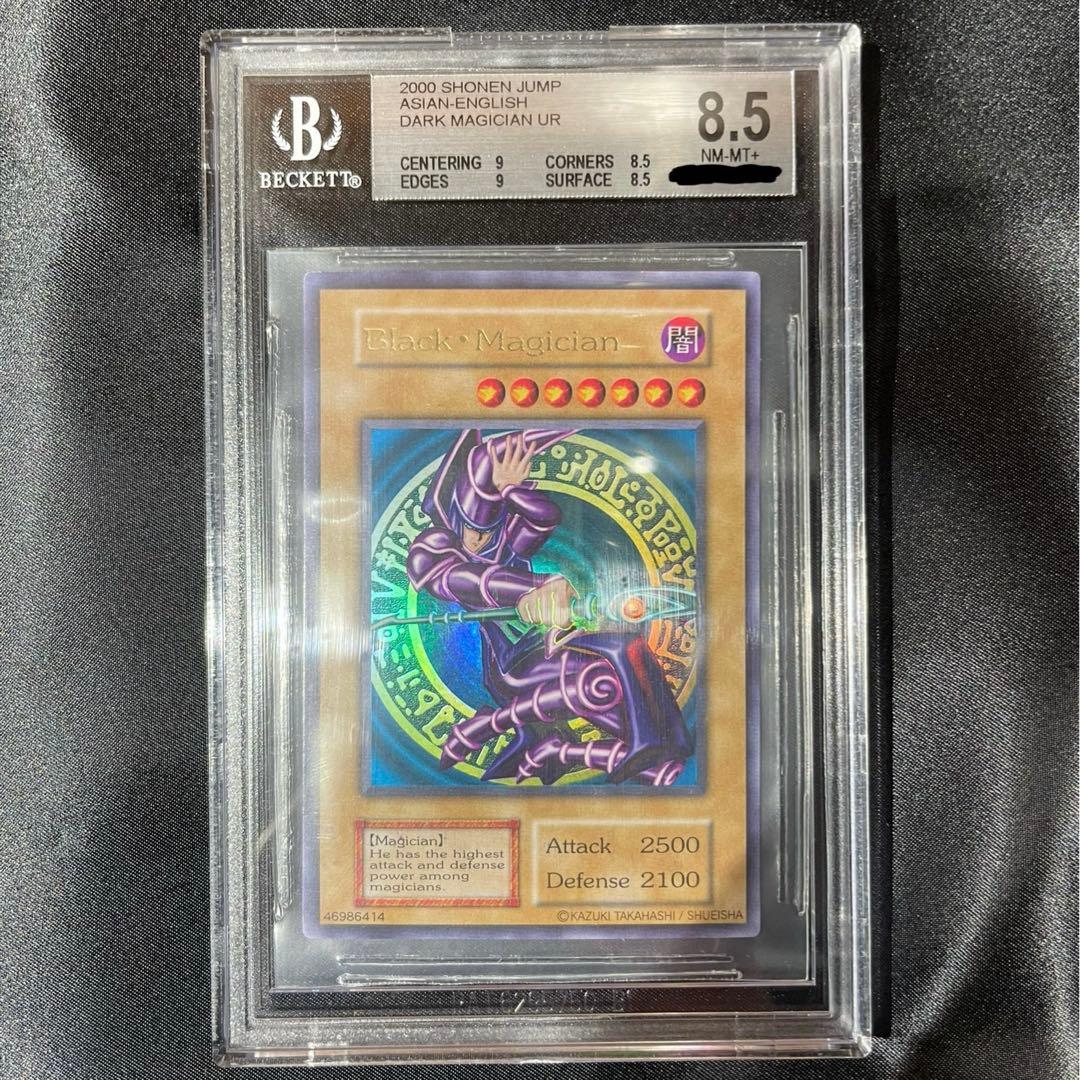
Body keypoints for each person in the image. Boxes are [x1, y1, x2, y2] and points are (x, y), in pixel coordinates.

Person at [406, 428, 693, 785]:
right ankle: (570, 743)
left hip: (545, 644)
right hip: (512, 664)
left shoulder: (504, 541)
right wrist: (534, 587)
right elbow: (462, 579)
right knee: (604, 673)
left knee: (626, 656)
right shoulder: (434, 549)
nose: (478, 540)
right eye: (470, 529)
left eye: (487, 531)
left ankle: (644, 743)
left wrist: (510, 491)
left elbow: (545, 518)